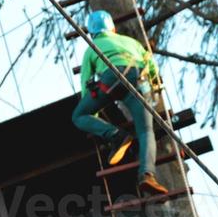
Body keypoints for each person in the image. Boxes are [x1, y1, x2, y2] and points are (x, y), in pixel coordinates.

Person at [71, 10, 169, 196]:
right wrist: (154, 88)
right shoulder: (133, 43)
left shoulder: (93, 48)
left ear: (92, 33)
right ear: (113, 28)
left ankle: (116, 136)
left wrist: (95, 115)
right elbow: (152, 66)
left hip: (111, 80)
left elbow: (86, 82)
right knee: (146, 131)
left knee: (78, 116)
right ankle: (147, 175)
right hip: (138, 81)